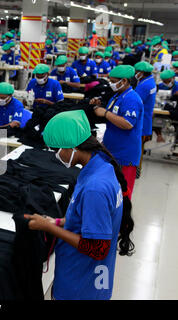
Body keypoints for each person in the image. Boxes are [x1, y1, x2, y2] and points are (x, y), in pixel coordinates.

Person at [25, 109, 134, 300]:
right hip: (94, 278)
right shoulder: (101, 166)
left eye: (56, 150)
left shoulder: (95, 189)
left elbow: (98, 248)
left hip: (81, 284)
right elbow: (87, 217)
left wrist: (48, 228)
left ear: (73, 147)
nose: (55, 155)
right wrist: (58, 222)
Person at [91, 65, 144, 199]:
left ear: (124, 81)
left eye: (113, 81)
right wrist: (100, 104)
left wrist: (105, 113)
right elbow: (114, 114)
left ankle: (123, 218)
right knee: (112, 189)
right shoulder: (117, 96)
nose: (111, 83)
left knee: (123, 191)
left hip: (125, 155)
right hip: (113, 149)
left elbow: (127, 124)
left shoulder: (132, 99)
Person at [134, 61, 156, 174]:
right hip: (146, 119)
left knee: (138, 147)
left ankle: (137, 170)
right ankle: (138, 168)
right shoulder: (150, 81)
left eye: (137, 71)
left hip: (142, 121)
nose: (135, 73)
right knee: (140, 147)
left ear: (142, 72)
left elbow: (135, 101)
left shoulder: (144, 85)